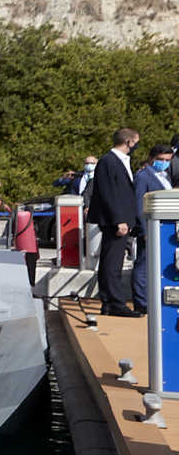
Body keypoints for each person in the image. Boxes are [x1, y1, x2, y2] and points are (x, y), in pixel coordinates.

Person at [96, 128, 143, 317]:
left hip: (122, 219)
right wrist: (119, 220)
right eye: (136, 142)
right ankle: (114, 302)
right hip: (116, 221)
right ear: (129, 142)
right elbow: (109, 193)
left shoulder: (120, 161)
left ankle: (109, 302)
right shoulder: (109, 161)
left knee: (112, 261)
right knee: (112, 263)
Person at [134, 144, 175, 314]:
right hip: (150, 227)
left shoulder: (165, 176)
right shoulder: (143, 177)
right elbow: (139, 204)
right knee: (143, 265)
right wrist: (144, 230)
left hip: (165, 227)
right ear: (152, 158)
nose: (164, 163)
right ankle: (141, 302)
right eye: (160, 160)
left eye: (167, 160)